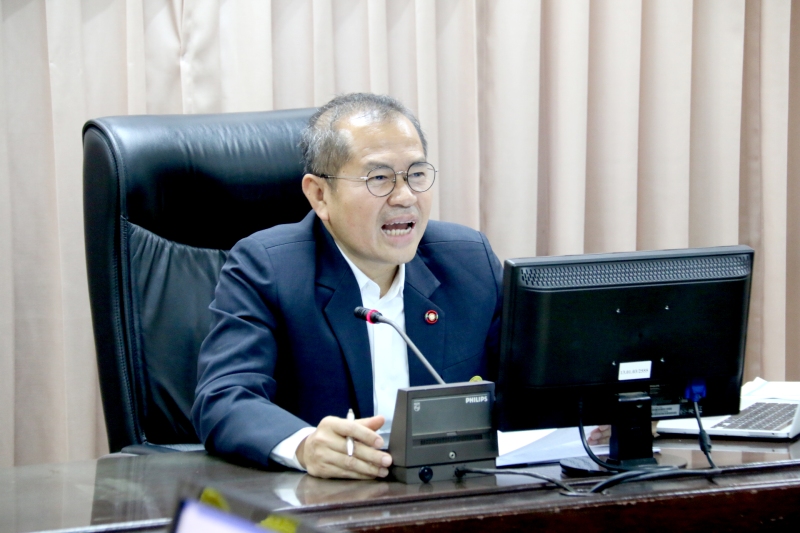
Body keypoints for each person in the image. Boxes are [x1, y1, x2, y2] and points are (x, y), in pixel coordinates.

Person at [192, 93, 503, 479]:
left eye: (417, 174)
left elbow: (525, 391)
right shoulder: (268, 269)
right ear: (319, 195)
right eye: (379, 178)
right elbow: (224, 397)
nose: (405, 197)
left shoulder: (469, 263)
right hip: (323, 499)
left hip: (447, 494)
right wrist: (305, 445)